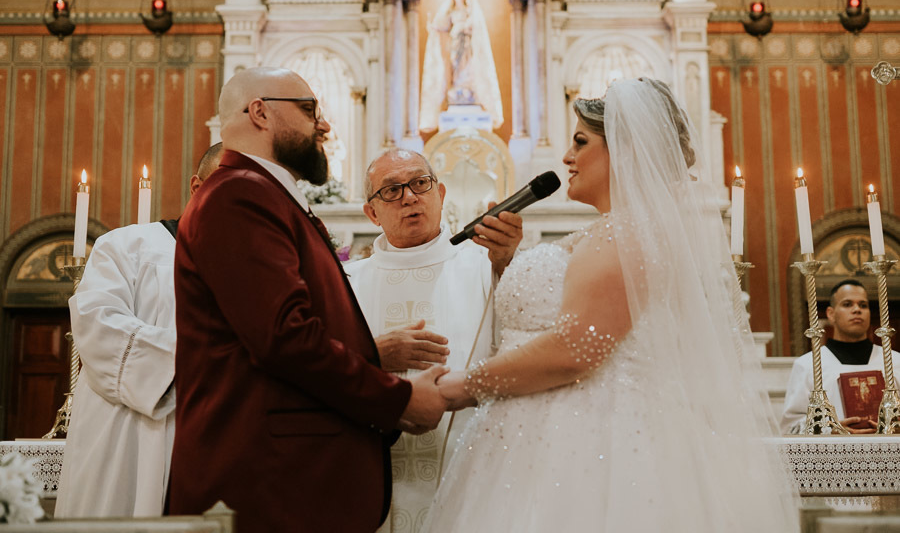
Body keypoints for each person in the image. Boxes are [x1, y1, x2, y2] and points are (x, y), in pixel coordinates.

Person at [427, 78, 799, 531]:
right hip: (542, 436)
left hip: (589, 442)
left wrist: (465, 386)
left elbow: (576, 349)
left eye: (581, 142)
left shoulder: (628, 235)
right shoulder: (611, 231)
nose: (566, 157)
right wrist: (507, 261)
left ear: (625, 151)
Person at [168, 67, 447, 533]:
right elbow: (284, 337)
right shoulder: (240, 195)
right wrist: (398, 398)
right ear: (259, 112)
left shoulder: (263, 194)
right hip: (268, 479)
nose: (325, 125)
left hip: (285, 477)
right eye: (309, 109)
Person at [345, 148, 522, 532]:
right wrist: (373, 355)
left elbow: (524, 341)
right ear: (371, 213)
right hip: (371, 481)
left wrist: (508, 262)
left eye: (420, 184)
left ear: (440, 194)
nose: (410, 197)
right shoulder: (345, 283)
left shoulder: (487, 265)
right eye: (391, 190)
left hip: (473, 474)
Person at [55, 143, 224, 518]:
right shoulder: (128, 245)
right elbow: (98, 325)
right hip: (129, 434)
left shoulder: (254, 266)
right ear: (198, 187)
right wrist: (198, 360)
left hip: (216, 441)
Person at [781, 279, 900, 434]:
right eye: (847, 304)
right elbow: (790, 427)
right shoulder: (807, 365)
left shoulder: (895, 361)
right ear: (831, 314)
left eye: (863, 305)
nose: (857, 310)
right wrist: (830, 430)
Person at [419, 0, 503, 131]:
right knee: (456, 69)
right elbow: (442, 26)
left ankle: (468, 88)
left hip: (467, 46)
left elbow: (475, 27)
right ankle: (458, 88)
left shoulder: (470, 11)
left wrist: (466, 24)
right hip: (455, 45)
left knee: (468, 67)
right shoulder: (451, 13)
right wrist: (433, 28)